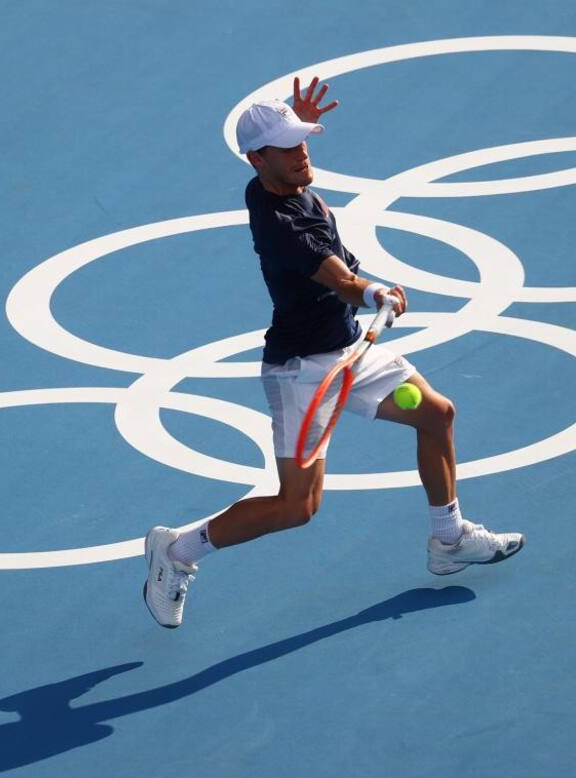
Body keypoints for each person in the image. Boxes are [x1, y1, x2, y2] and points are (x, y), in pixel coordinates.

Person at [142, 77, 524, 628]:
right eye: (288, 148)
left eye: (304, 144)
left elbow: (341, 271)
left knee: (437, 414)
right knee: (298, 507)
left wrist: (286, 120)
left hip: (348, 348)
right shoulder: (278, 226)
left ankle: (449, 538)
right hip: (302, 372)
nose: (302, 156)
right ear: (256, 160)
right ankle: (177, 550)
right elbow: (341, 279)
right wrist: (373, 293)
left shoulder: (287, 189)